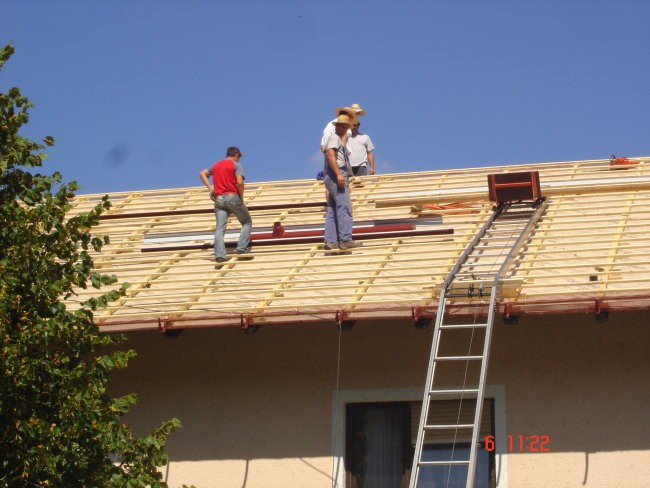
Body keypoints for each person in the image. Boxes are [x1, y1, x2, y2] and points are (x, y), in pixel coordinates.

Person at [199, 146, 252, 266]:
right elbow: (239, 182)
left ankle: (220, 256)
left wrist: (210, 188)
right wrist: (241, 197)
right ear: (236, 155)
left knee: (220, 228)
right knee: (247, 221)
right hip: (232, 196)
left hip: (219, 200)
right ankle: (242, 249)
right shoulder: (236, 165)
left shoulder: (216, 165)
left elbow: (202, 173)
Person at [323, 114, 359, 251]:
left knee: (333, 208)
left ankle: (331, 240)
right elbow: (330, 155)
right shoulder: (334, 138)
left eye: (346, 126)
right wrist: (339, 174)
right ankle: (345, 240)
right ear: (336, 126)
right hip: (336, 173)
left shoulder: (338, 139)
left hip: (334, 174)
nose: (344, 128)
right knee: (345, 207)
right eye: (341, 126)